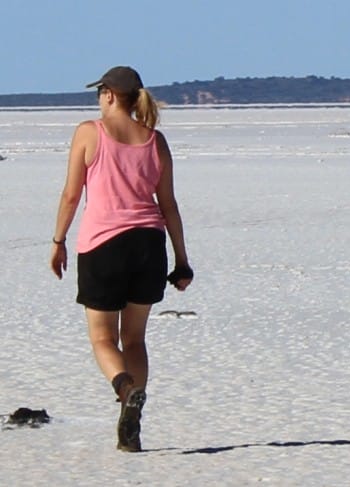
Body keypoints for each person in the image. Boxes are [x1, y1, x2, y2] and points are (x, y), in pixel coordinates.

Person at [50, 66, 193, 451]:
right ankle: (132, 424)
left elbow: (70, 195)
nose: (97, 99)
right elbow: (169, 206)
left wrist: (58, 240)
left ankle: (125, 389)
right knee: (134, 339)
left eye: (99, 92)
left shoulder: (88, 132)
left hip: (103, 245)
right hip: (149, 246)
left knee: (101, 338)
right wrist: (181, 260)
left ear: (110, 95)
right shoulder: (155, 141)